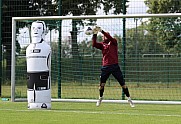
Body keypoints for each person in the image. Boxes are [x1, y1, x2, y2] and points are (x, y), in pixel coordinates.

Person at [92, 26, 134, 107]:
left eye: (104, 35)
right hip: (105, 67)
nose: (103, 37)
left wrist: (102, 31)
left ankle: (129, 99)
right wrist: (94, 34)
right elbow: (94, 44)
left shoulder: (114, 42)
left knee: (123, 84)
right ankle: (100, 97)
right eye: (103, 36)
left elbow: (109, 37)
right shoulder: (102, 45)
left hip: (115, 66)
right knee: (101, 85)